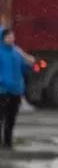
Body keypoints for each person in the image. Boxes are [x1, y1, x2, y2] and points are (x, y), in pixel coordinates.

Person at [0, 18, 34, 148]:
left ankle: (7, 143)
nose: (11, 39)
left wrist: (29, 63)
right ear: (3, 39)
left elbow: (24, 68)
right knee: (1, 117)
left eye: (12, 37)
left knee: (11, 119)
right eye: (8, 37)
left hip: (15, 90)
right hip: (2, 90)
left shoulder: (17, 52)